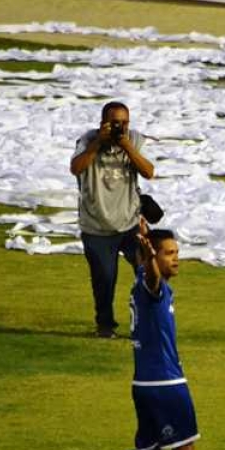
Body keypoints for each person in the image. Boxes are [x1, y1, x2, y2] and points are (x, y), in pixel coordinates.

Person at [74, 219, 217, 450]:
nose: (175, 258)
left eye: (176, 252)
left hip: (145, 383)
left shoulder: (141, 280)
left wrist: (146, 254)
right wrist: (151, 258)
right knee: (185, 445)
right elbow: (152, 277)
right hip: (166, 384)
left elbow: (148, 273)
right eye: (168, 253)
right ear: (152, 256)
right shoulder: (151, 284)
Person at [70, 101, 156, 338]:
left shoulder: (133, 140)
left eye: (125, 123)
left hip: (129, 223)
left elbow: (149, 172)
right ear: (103, 124)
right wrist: (98, 143)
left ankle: (148, 323)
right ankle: (105, 327)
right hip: (96, 226)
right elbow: (76, 168)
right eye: (115, 123)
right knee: (105, 280)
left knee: (148, 271)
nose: (120, 128)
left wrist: (127, 146)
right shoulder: (87, 141)